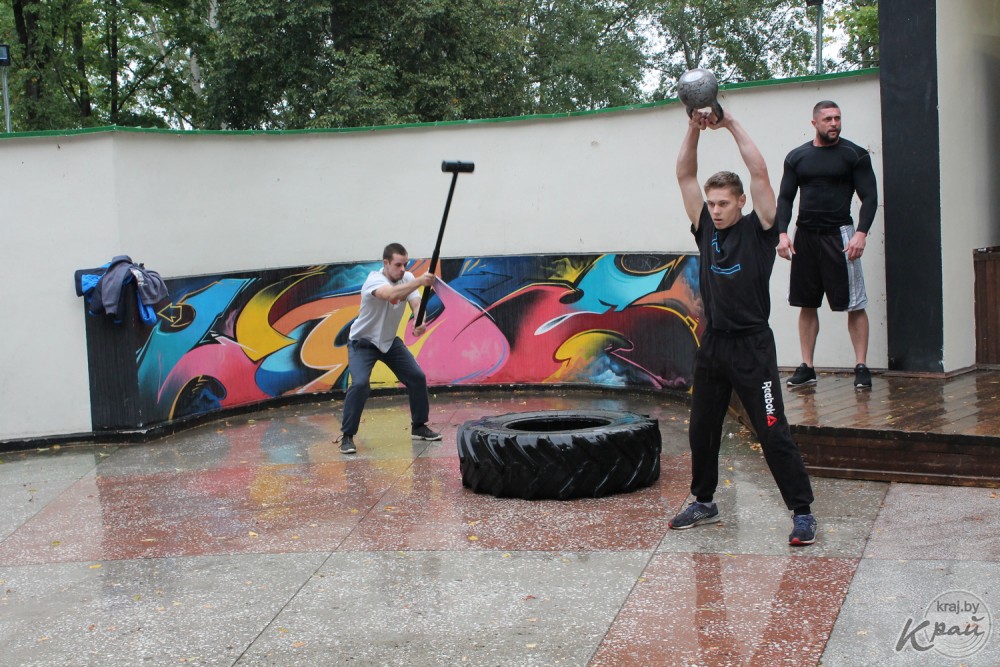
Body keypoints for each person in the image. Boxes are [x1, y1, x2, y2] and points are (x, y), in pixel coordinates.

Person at [670, 108, 817, 546]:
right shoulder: (704, 229)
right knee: (702, 429)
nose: (715, 210)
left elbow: (759, 172)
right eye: (711, 203)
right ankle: (704, 501)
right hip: (714, 346)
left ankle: (803, 512)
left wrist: (730, 123)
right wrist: (693, 128)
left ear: (741, 203)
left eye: (723, 203)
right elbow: (684, 175)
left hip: (753, 347)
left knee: (772, 429)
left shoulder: (761, 230)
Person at [776, 101, 879, 389]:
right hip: (805, 236)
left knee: (854, 304)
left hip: (840, 236)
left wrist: (861, 233)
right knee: (807, 303)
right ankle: (807, 367)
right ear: (814, 123)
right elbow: (785, 198)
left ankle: (861, 366)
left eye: (837, 118)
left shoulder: (854, 155)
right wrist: (782, 234)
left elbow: (870, 197)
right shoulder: (797, 157)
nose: (834, 123)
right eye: (828, 119)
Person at [338, 243, 441, 455]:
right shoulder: (374, 280)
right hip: (362, 343)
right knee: (360, 384)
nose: (402, 269)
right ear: (386, 263)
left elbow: (416, 303)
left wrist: (419, 321)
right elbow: (390, 294)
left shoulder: (408, 278)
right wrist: (420, 281)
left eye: (405, 264)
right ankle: (347, 436)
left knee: (417, 377)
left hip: (389, 342)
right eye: (398, 265)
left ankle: (419, 426)